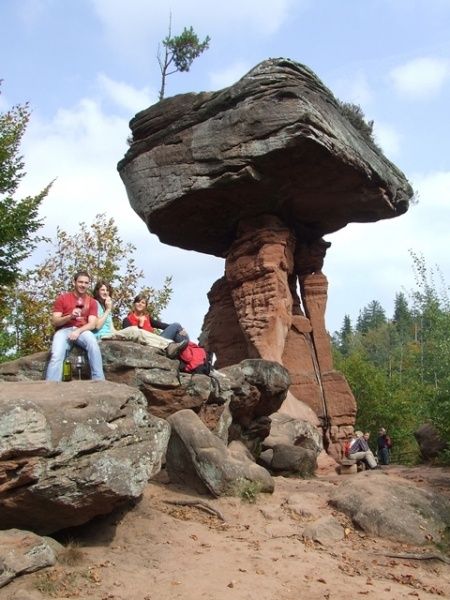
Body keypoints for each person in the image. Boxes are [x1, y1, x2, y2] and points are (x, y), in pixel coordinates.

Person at [46, 271, 105, 381]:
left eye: (86, 283)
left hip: (83, 330)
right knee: (56, 354)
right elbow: (55, 321)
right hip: (64, 330)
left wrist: (78, 331)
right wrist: (69, 317)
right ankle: (51, 385)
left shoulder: (91, 302)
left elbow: (92, 324)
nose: (83, 285)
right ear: (74, 282)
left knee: (93, 344)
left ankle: (99, 380)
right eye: (80, 282)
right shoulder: (63, 298)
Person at [122, 294, 189, 344]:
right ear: (134, 304)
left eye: (143, 303)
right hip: (149, 343)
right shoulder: (127, 320)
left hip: (155, 340)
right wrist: (141, 324)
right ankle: (186, 350)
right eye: (138, 302)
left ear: (145, 306)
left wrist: (180, 329)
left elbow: (162, 325)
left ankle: (185, 349)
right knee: (177, 326)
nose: (140, 304)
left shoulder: (147, 318)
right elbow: (129, 337)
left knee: (177, 327)